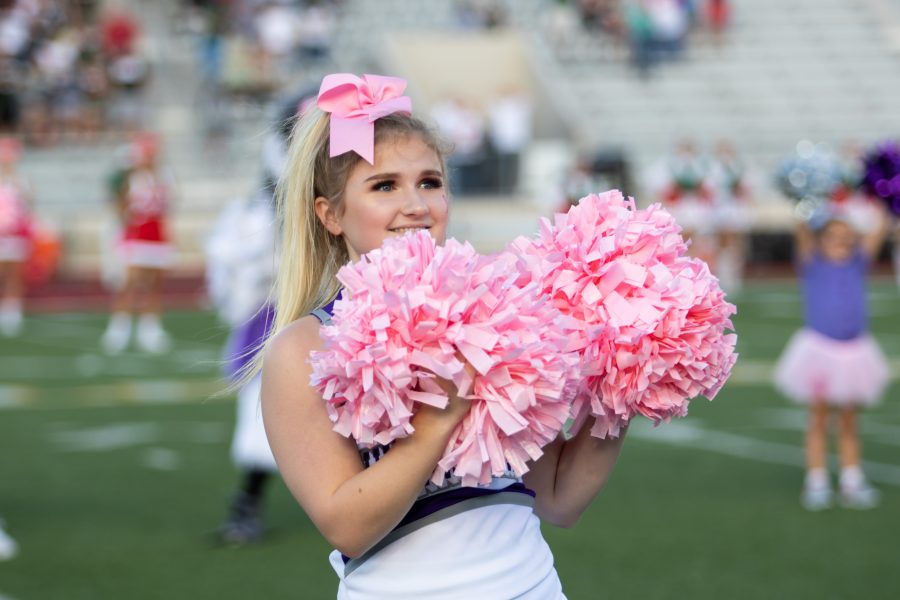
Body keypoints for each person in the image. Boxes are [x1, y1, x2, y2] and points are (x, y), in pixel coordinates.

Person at [255, 73, 627, 597]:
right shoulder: (304, 348)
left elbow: (560, 498)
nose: (416, 205)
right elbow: (348, 527)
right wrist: (439, 421)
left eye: (429, 181)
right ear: (330, 214)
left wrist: (622, 385)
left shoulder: (500, 315)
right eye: (384, 185)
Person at [207, 87, 316, 546]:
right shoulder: (259, 213)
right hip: (282, 323)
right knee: (262, 422)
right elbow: (237, 273)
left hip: (350, 318)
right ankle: (247, 502)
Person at [774, 205, 890, 511]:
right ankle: (817, 481)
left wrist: (883, 194)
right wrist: (803, 199)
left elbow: (880, 226)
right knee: (819, 419)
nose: (840, 242)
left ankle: (852, 480)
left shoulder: (858, 263)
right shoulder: (812, 263)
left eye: (846, 237)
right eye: (833, 236)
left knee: (850, 421)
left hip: (855, 353)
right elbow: (801, 228)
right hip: (819, 352)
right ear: (819, 240)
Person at [101, 131, 174, 354]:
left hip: (157, 236)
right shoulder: (130, 178)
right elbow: (118, 203)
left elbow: (167, 208)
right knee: (129, 283)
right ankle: (119, 328)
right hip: (136, 235)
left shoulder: (164, 176)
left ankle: (149, 328)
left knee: (155, 284)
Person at [0, 136, 32, 337]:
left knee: (14, 275)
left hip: (16, 235)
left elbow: (26, 206)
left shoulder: (21, 181)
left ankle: (12, 312)